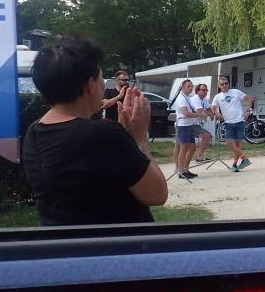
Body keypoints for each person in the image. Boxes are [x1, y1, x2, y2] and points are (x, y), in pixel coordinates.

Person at [21, 36, 167, 226]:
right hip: (116, 242)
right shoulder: (101, 134)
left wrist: (123, 138)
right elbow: (157, 194)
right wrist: (138, 139)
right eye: (101, 78)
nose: (104, 85)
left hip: (65, 241)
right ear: (90, 86)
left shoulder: (34, 132)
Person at [211, 75, 253, 172]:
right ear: (219, 86)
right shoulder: (218, 96)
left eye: (226, 83)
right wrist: (217, 113)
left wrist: (248, 111)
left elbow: (249, 99)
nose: (224, 85)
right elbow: (212, 108)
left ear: (228, 84)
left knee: (238, 145)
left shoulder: (236, 92)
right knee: (230, 143)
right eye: (222, 84)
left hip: (239, 121)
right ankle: (244, 158)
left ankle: (234, 164)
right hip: (228, 122)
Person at [173, 79, 202, 179]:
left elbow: (192, 110)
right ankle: (181, 171)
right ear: (183, 87)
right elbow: (186, 113)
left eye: (191, 86)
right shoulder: (180, 98)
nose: (190, 88)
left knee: (192, 147)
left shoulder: (187, 97)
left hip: (189, 125)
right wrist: (199, 115)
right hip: (183, 125)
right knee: (183, 148)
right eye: (188, 86)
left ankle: (185, 169)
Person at [192, 83, 214, 162]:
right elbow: (200, 111)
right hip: (189, 124)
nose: (205, 91)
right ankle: (199, 156)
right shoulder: (196, 99)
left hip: (195, 124)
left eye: (206, 90)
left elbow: (208, 109)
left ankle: (199, 156)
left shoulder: (204, 99)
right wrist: (210, 114)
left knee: (207, 136)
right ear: (197, 91)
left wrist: (212, 113)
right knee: (207, 136)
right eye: (203, 90)